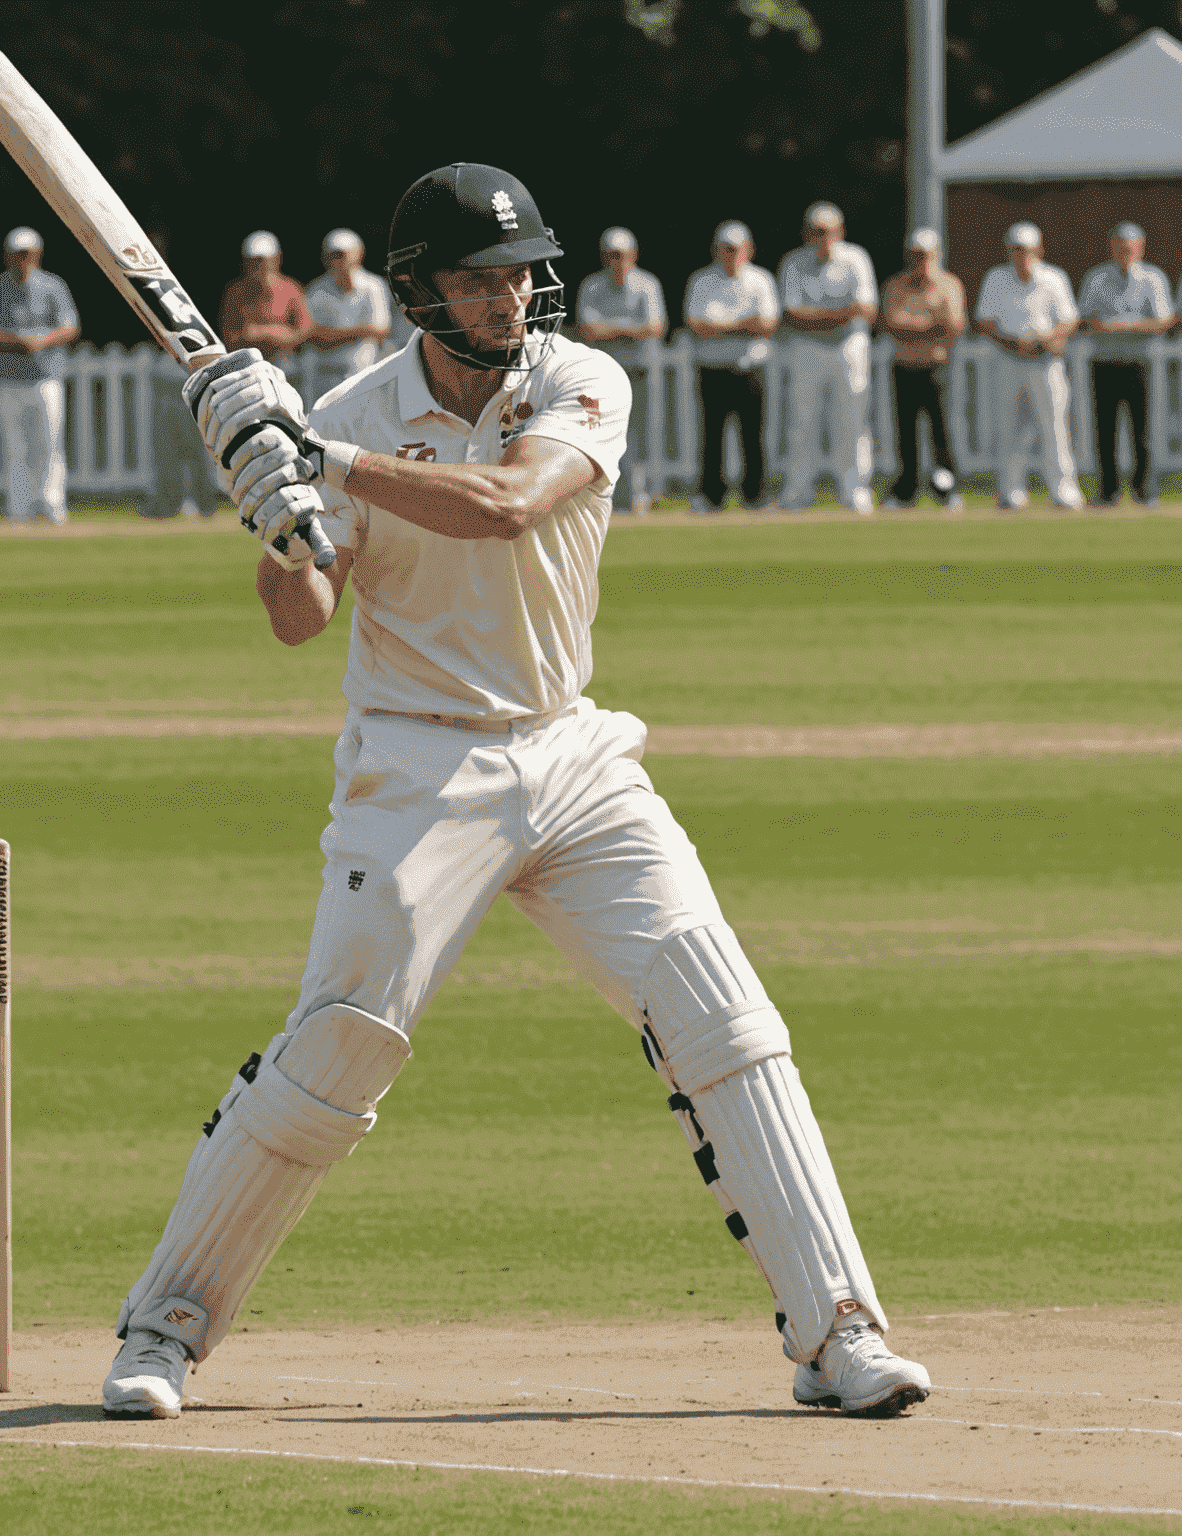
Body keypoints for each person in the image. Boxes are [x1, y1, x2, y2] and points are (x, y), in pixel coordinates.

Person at [100, 161, 932, 1425]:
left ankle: (839, 1331)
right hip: (418, 765)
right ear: (420, 290)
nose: (511, 295)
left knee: (726, 1015)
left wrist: (317, 452)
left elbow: (509, 505)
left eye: (519, 272)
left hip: (573, 750)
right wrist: (272, 509)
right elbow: (302, 615)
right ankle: (163, 1327)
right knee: (339, 1043)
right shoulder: (356, 408)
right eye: (481, 278)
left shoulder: (581, 379)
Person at [776, 203, 878, 513]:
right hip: (807, 348)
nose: (824, 237)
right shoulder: (793, 263)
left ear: (840, 231)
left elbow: (868, 311)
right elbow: (791, 314)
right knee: (802, 419)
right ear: (807, 232)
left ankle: (854, 489)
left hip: (849, 346)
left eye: (829, 231)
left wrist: (818, 316)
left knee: (853, 418)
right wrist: (841, 314)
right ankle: (798, 490)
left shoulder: (856, 259)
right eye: (817, 231)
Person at [974, 223, 1082, 510]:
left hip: (1046, 362)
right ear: (1009, 252)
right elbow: (985, 320)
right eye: (1017, 250)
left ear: (1039, 250)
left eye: (1027, 250)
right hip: (1009, 360)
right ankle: (1011, 492)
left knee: (1055, 427)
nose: (1022, 256)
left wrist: (1049, 339)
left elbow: (1068, 319)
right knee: (1009, 427)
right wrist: (1011, 341)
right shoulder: (996, 279)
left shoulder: (1053, 278)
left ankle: (1064, 490)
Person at [0, 227, 79, 523]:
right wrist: (18, 342)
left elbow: (69, 327)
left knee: (50, 444)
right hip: (8, 379)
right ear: (7, 256)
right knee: (15, 446)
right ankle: (19, 507)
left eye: (26, 254)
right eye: (16, 254)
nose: (21, 259)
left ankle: (52, 505)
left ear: (37, 255)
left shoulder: (54, 286)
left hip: (45, 377)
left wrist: (42, 341)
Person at [683, 220, 778, 511]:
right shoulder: (701, 281)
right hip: (713, 369)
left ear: (748, 250)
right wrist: (742, 325)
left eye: (736, 249)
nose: (731, 255)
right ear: (716, 250)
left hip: (750, 369)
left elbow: (767, 324)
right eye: (726, 249)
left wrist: (721, 326)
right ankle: (711, 495)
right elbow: (696, 324)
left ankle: (755, 495)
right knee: (711, 436)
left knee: (753, 435)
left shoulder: (760, 280)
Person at [1078, 222, 1171, 508]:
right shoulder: (1096, 278)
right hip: (1105, 362)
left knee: (1142, 429)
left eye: (1130, 247)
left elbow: (1163, 321)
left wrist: (1124, 326)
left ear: (1141, 248)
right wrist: (1103, 326)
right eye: (1120, 246)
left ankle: (1144, 489)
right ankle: (1108, 490)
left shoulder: (1153, 279)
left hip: (1139, 362)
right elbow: (1083, 319)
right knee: (1104, 429)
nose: (1125, 252)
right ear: (1112, 247)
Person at [575, 227, 667, 511]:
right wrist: (630, 329)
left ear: (633, 255)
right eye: (612, 255)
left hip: (641, 370)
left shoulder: (648, 284)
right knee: (601, 432)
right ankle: (608, 492)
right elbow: (588, 329)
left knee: (645, 431)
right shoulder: (591, 286)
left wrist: (611, 328)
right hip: (603, 375)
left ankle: (646, 493)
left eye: (622, 255)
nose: (618, 261)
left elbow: (655, 328)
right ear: (604, 257)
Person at [879, 229, 965, 510]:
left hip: (936, 368)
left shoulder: (949, 285)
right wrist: (930, 323)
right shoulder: (895, 286)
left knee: (941, 432)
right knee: (906, 433)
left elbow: (953, 325)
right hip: (905, 367)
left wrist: (913, 324)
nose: (921, 261)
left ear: (936, 255)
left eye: (926, 255)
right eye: (916, 255)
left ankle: (947, 489)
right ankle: (907, 490)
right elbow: (891, 323)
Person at [303, 228, 393, 406]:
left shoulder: (374, 285)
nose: (339, 260)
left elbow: (381, 330)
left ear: (358, 254)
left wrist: (332, 336)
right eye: (334, 255)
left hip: (360, 367)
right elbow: (311, 334)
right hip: (325, 368)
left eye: (342, 254)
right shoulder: (316, 289)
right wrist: (361, 331)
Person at [219, 231, 312, 390]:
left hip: (285, 366)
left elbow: (306, 332)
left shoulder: (291, 289)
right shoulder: (235, 292)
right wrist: (252, 337)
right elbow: (229, 339)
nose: (258, 266)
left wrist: (271, 332)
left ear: (276, 259)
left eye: (263, 260)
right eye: (253, 261)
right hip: (248, 366)